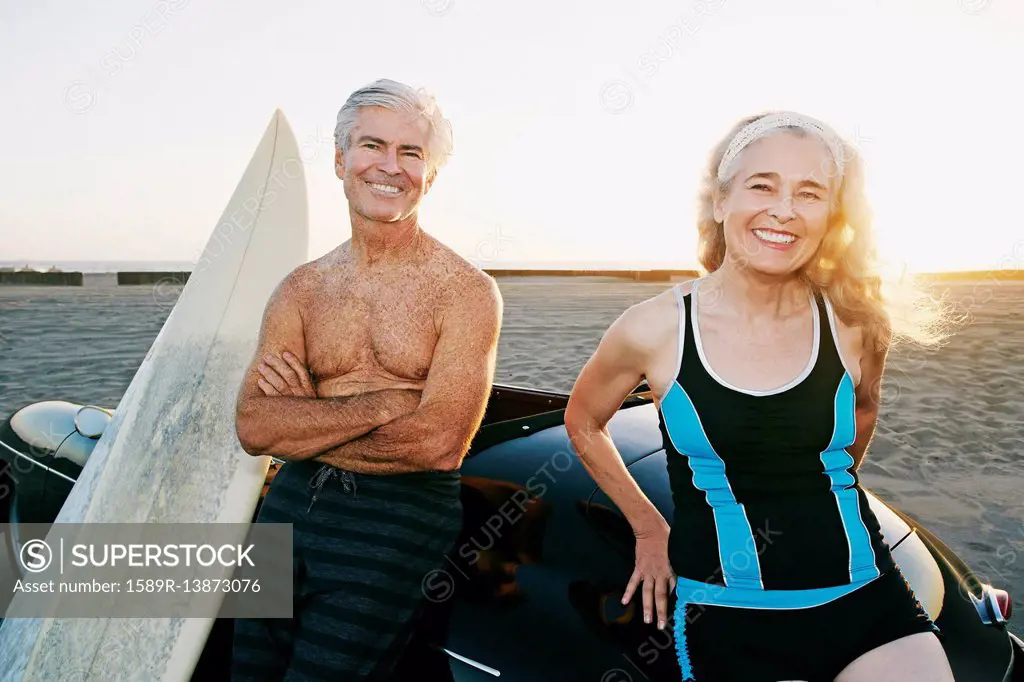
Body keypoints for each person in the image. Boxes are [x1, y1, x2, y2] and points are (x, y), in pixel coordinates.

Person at [564, 111, 956, 681]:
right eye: (762, 185)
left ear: (831, 217)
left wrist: (825, 488)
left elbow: (864, 410)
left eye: (810, 193)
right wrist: (649, 528)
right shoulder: (653, 328)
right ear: (721, 201)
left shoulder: (853, 322)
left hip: (867, 598)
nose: (784, 210)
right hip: (730, 616)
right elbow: (584, 421)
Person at [230, 79, 503, 681]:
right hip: (290, 504)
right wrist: (389, 401)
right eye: (372, 145)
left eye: (411, 153)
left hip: (397, 520)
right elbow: (253, 425)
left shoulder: (465, 292)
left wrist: (302, 420)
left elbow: (438, 443)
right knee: (247, 671)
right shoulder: (300, 289)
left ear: (430, 174)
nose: (390, 166)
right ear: (339, 160)